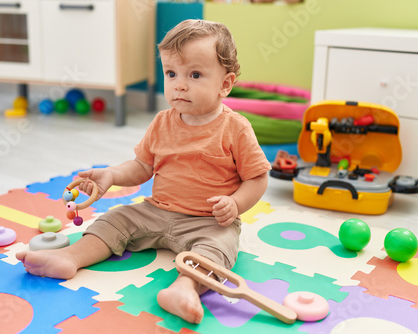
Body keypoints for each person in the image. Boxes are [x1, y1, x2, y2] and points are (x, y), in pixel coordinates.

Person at [16, 19, 270, 324]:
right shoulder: (163, 122)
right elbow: (142, 166)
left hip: (209, 222)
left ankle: (184, 288)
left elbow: (256, 177)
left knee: (218, 248)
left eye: (195, 75)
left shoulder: (235, 128)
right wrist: (110, 175)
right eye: (171, 73)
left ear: (225, 85)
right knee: (115, 219)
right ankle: (70, 258)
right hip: (157, 211)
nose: (180, 84)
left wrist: (236, 204)